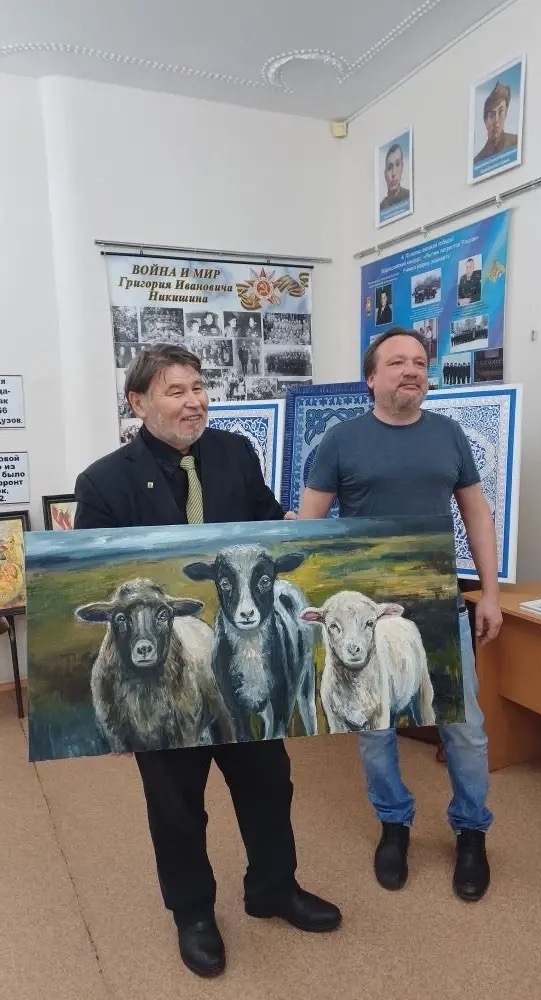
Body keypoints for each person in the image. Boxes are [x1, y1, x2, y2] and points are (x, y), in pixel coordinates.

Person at [73, 344, 341, 979]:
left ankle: (273, 887)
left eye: (198, 388)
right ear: (138, 402)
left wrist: (307, 531)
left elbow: (268, 524)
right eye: (176, 391)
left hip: (241, 662)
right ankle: (192, 912)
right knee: (175, 802)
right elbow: (104, 585)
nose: (194, 402)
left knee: (268, 783)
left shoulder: (234, 453)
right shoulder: (103, 483)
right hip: (162, 676)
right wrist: (113, 715)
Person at [297, 326, 502, 904]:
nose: (411, 370)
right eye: (396, 362)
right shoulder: (340, 441)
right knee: (375, 727)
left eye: (419, 362)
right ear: (371, 378)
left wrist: (488, 593)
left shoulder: (449, 434)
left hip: (437, 603)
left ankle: (472, 831)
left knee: (464, 728)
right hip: (368, 615)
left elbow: (477, 515)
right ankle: (394, 824)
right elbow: (310, 526)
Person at [474, 81, 518, 164]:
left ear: (505, 114)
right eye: (492, 115)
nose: (496, 120)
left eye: (500, 112)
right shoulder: (477, 162)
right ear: (485, 120)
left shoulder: (517, 143)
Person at [380, 142, 410, 211]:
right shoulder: (381, 207)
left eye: (397, 164)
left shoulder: (409, 196)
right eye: (389, 168)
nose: (393, 173)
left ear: (402, 168)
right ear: (385, 174)